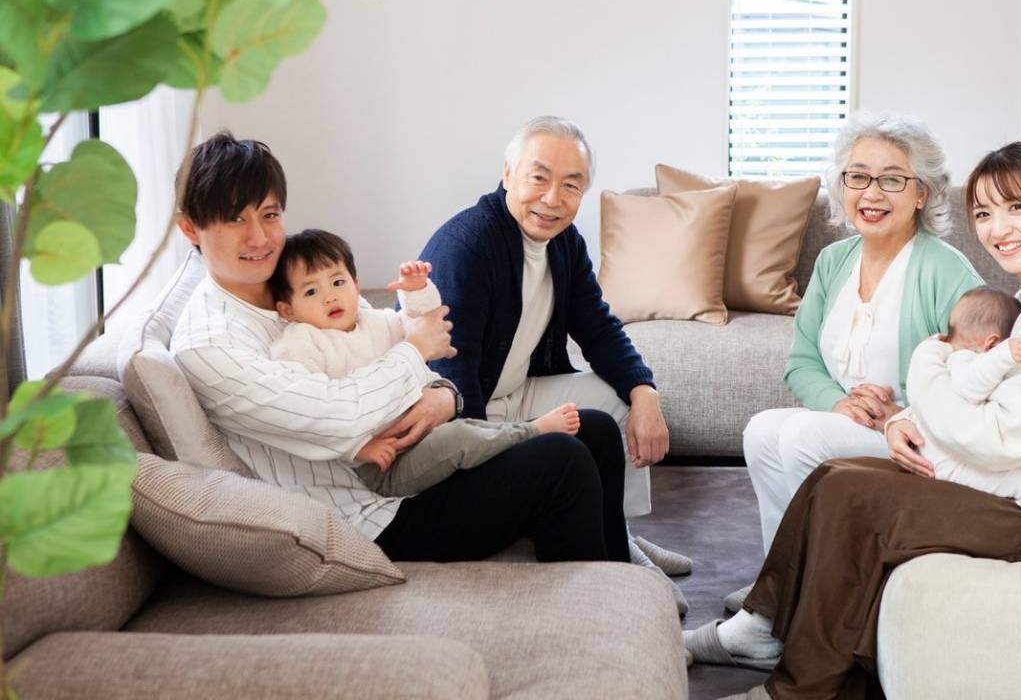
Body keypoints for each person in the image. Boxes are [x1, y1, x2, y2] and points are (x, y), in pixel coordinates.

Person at [686, 141, 1021, 699]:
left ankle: (799, 689)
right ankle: (770, 624)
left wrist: (923, 380)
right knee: (834, 477)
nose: (998, 229)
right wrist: (905, 421)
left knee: (850, 496)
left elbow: (1001, 438)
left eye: (1017, 208)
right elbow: (989, 407)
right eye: (984, 213)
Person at [171, 131, 629, 563]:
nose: (259, 237)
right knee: (561, 460)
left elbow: (393, 345)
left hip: (410, 469)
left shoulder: (293, 281)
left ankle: (625, 583)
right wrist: (416, 350)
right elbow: (342, 414)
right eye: (235, 219)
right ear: (190, 228)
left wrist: (443, 395)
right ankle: (592, 610)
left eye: (269, 215)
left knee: (595, 430)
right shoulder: (210, 345)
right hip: (365, 518)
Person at [420, 115, 691, 610]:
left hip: (517, 389)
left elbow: (599, 327)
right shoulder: (469, 247)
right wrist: (501, 453)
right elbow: (453, 374)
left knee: (617, 401)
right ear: (508, 174)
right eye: (538, 177)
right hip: (464, 411)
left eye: (571, 185)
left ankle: (619, 534)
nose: (552, 199)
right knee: (567, 443)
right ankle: (615, 552)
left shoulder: (564, 242)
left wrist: (645, 391)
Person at [727, 111, 982, 611]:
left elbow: (976, 379)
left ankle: (817, 598)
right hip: (852, 423)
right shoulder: (833, 261)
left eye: (892, 179)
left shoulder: (946, 271)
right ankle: (780, 584)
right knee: (762, 431)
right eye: (859, 177)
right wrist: (839, 403)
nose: (871, 193)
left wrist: (902, 415)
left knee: (801, 436)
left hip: (918, 438)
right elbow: (802, 363)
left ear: (922, 193)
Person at [265, 227, 581, 499]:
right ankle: (530, 432)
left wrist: (417, 291)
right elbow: (310, 412)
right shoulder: (301, 342)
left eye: (337, 282)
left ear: (356, 286)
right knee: (459, 439)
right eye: (311, 291)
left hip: (426, 430)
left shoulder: (374, 321)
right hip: (379, 466)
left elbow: (420, 323)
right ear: (287, 310)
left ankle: (513, 442)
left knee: (467, 431)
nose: (330, 297)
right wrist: (358, 449)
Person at [892, 286, 1021, 509]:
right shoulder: (963, 359)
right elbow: (969, 385)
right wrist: (1003, 356)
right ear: (991, 344)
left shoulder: (944, 359)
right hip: (947, 464)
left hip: (939, 453)